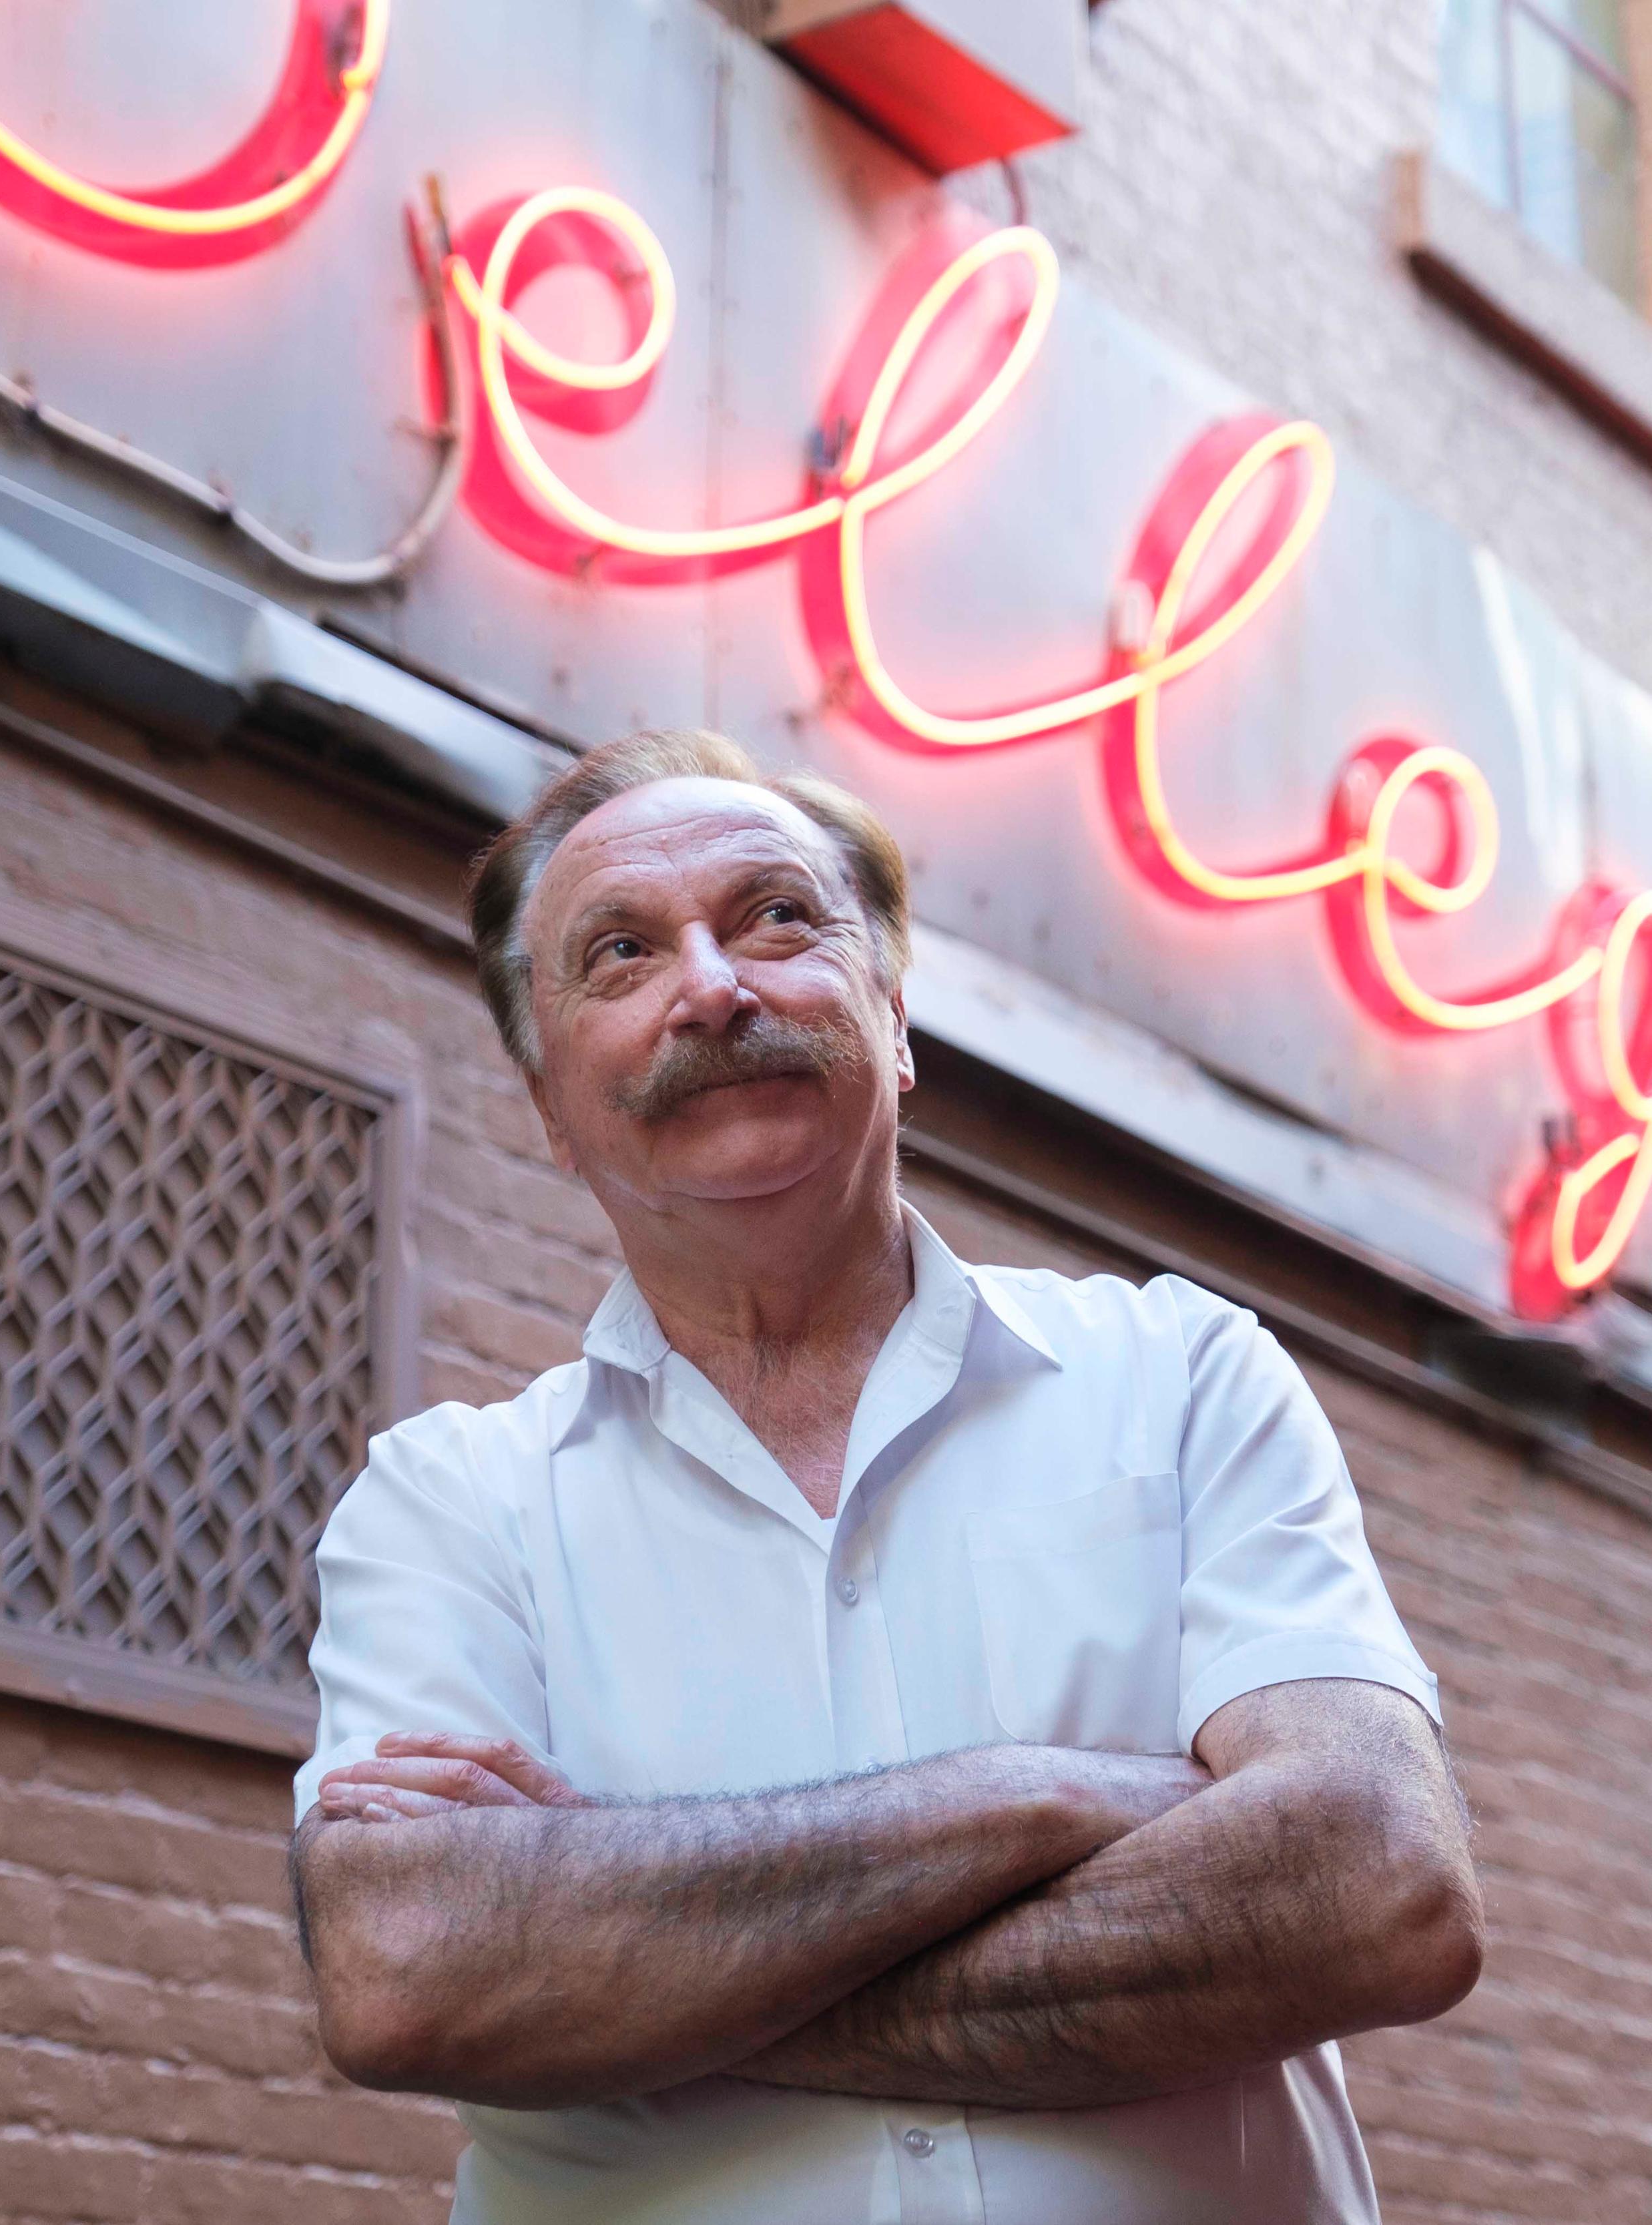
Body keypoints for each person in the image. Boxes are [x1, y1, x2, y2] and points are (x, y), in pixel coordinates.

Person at [290, 728, 1483, 2224]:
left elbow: (1377, 1887)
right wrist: (1035, 1793)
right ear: (549, 1110)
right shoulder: (447, 1500)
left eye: (777, 918)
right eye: (618, 953)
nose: (713, 987)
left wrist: (635, 1979)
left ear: (896, 1020)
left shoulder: (1181, 1377)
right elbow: (411, 1970)